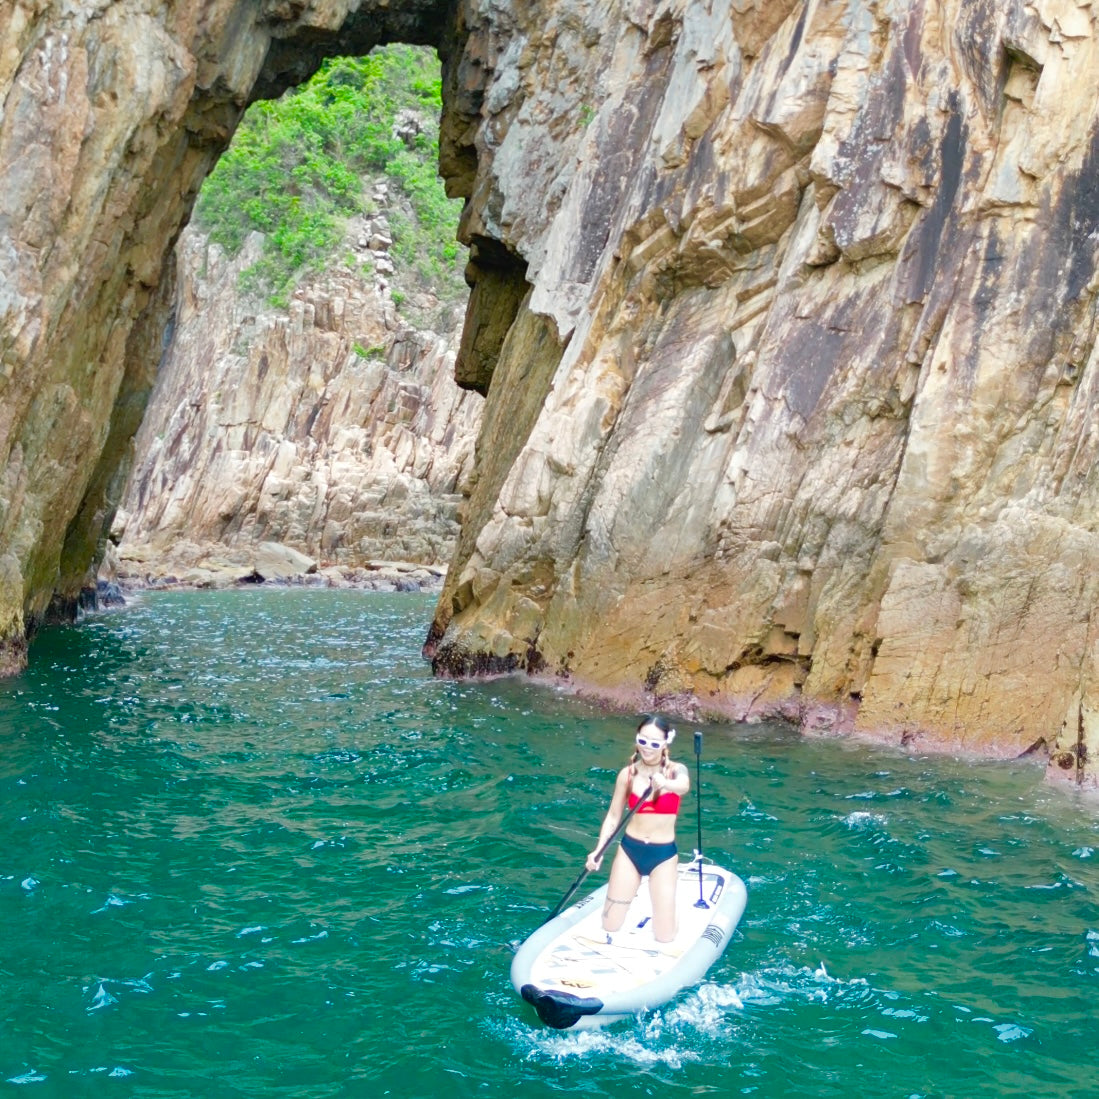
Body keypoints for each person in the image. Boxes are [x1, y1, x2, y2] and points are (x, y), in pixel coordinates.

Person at [585, 715, 690, 943]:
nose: (647, 748)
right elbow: (613, 817)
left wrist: (665, 784)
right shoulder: (628, 774)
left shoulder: (676, 770)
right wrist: (598, 850)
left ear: (665, 743)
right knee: (610, 925)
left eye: (654, 743)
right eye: (643, 741)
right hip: (630, 851)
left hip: (662, 855)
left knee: (664, 936)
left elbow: (683, 786)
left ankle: (672, 915)